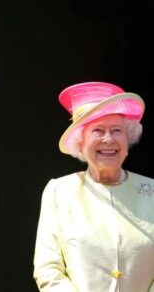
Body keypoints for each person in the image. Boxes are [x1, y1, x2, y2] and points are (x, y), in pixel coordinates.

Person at [33, 82, 154, 292]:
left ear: (128, 138)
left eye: (117, 130)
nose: (108, 139)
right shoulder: (59, 192)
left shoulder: (151, 191)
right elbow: (48, 269)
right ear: (80, 142)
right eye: (98, 131)